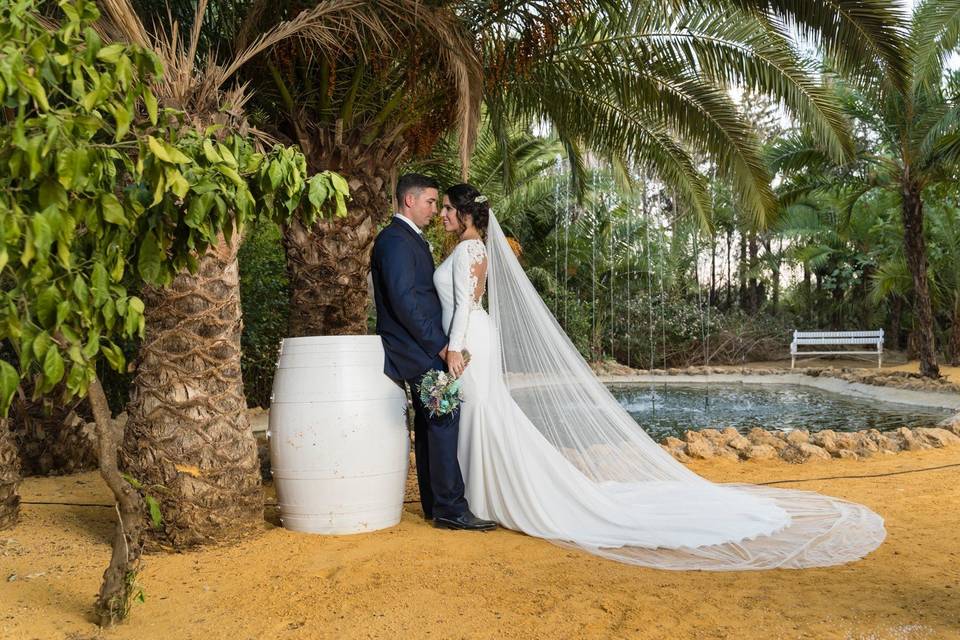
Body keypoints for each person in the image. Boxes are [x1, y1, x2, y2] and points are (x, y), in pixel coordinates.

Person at [431, 182, 886, 570]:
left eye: (449, 208)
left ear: (468, 213)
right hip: (469, 339)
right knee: (483, 414)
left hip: (470, 341)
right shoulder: (470, 248)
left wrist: (454, 349)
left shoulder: (472, 250)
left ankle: (484, 497)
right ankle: (478, 495)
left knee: (483, 412)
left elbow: (467, 305)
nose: (444, 215)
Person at [369, 173, 496, 532]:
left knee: (430, 423)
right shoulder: (395, 240)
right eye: (430, 202)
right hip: (416, 347)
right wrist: (441, 345)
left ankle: (435, 504)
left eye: (441, 205)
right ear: (410, 201)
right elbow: (405, 302)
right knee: (443, 419)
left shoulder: (409, 239)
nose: (435, 211)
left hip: (421, 344)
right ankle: (451, 508)